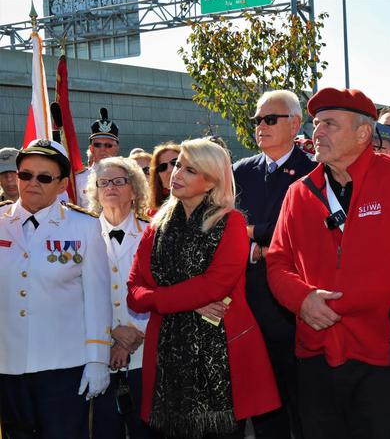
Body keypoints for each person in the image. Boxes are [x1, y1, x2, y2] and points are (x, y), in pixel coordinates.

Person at [266, 88, 390, 438]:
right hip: (315, 356)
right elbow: (277, 262)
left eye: (330, 125)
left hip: (382, 360)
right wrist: (302, 300)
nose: (317, 132)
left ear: (363, 133)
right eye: (317, 123)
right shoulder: (300, 192)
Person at [127, 139, 280, 439]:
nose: (176, 174)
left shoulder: (231, 222)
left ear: (211, 181)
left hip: (220, 360)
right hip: (166, 364)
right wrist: (187, 301)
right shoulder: (155, 225)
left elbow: (216, 285)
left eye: (189, 169)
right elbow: (134, 292)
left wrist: (161, 298)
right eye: (176, 166)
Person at [0, 139, 112, 438]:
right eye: (25, 174)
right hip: (7, 365)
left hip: (64, 367)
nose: (31, 183)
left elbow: (98, 299)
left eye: (44, 177)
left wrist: (98, 360)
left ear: (63, 184)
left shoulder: (85, 228)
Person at [233, 90, 316, 439]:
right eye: (257, 121)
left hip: (295, 312)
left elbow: (302, 231)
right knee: (265, 414)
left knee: (303, 410)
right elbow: (225, 228)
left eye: (270, 119)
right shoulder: (240, 172)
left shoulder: (314, 172)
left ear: (295, 123)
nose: (260, 127)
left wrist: (255, 232)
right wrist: (256, 243)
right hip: (249, 309)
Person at [87, 157, 155, 438]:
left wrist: (132, 337)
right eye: (104, 182)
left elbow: (162, 292)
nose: (110, 187)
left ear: (135, 189)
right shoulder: (83, 233)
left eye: (119, 181)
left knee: (147, 431)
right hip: (99, 356)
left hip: (146, 354)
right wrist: (113, 333)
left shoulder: (153, 232)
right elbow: (78, 295)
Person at [76, 108, 121, 208]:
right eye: (97, 145)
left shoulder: (128, 177)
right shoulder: (78, 179)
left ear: (117, 149)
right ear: (91, 148)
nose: (103, 149)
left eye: (108, 145)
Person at [147, 142, 180, 215]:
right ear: (157, 176)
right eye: (162, 167)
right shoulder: (152, 214)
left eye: (175, 163)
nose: (170, 170)